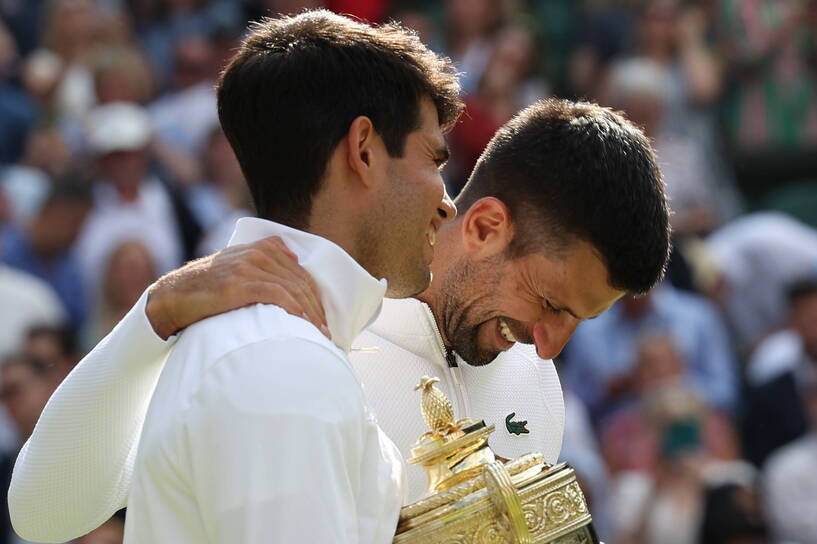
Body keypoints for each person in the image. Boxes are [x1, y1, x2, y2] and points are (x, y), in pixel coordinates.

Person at [11, 92, 671, 543]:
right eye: (552, 305)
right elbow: (45, 514)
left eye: (580, 320)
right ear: (487, 226)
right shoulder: (279, 339)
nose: (551, 347)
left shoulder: (532, 380)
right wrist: (150, 318)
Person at [17, 11, 463, 544]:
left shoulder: (261, 340)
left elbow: (40, 515)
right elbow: (43, 512)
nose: (446, 203)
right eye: (433, 160)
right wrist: (152, 313)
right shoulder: (280, 357)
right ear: (363, 149)